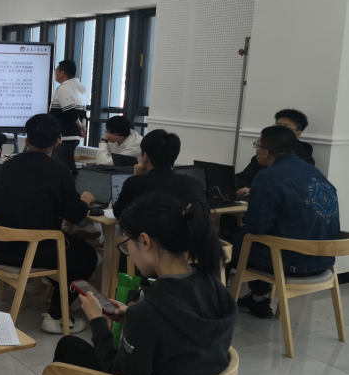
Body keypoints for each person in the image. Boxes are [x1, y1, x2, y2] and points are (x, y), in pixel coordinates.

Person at [12, 193, 236, 375]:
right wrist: (132, 317)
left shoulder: (150, 314)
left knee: (68, 349)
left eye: (127, 243)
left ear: (145, 241)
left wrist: (97, 322)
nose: (127, 249)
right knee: (76, 352)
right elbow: (178, 335)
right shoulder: (215, 289)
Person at [0, 114, 98, 334]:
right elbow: (74, 214)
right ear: (57, 142)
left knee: (65, 246)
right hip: (29, 252)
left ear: (27, 140)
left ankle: (62, 292)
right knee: (86, 256)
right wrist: (85, 201)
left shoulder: (7, 165)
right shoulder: (59, 170)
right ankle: (56, 316)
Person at [232, 125, 339, 318]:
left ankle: (218, 304)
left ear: (265, 152)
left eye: (257, 145)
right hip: (324, 262)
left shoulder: (266, 177)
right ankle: (257, 299)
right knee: (267, 238)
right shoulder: (316, 173)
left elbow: (257, 228)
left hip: (289, 263)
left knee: (224, 245)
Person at [113, 129, 207, 218]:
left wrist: (136, 178)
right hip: (185, 230)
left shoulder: (134, 183)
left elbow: (118, 213)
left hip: (148, 230)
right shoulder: (194, 184)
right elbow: (205, 213)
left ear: (145, 157)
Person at [236, 109, 315, 197]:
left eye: (286, 128)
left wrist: (256, 190)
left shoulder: (304, 160)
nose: (279, 130)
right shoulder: (265, 150)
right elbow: (244, 177)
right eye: (277, 125)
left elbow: (292, 190)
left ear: (298, 133)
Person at [49, 60, 87, 146]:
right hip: (73, 136)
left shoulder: (65, 88)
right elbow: (84, 114)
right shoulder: (80, 90)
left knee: (60, 155)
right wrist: (82, 127)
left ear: (62, 73)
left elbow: (70, 112)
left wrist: (80, 126)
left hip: (64, 136)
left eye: (56, 70)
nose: (55, 73)